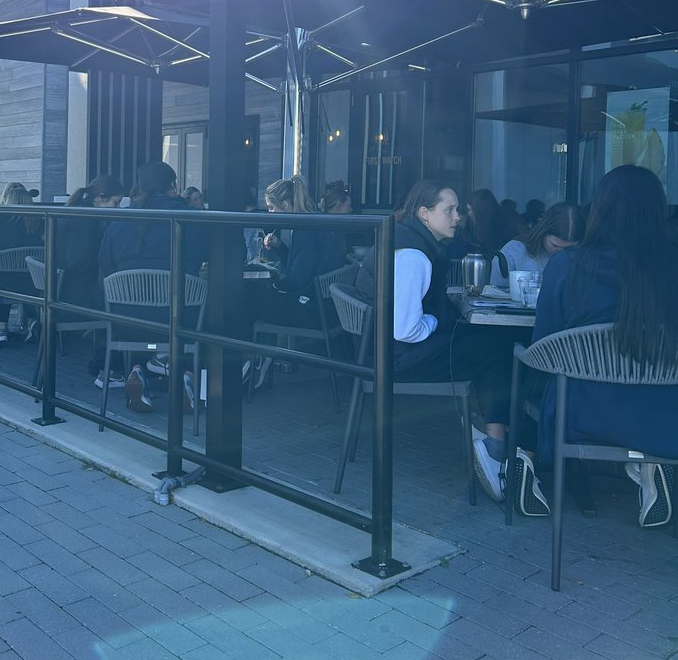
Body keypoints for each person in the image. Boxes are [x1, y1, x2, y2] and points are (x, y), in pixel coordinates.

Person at [354, 180, 527, 509]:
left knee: (484, 341)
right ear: (424, 213)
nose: (458, 216)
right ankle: (493, 444)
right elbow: (406, 329)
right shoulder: (414, 256)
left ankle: (485, 427)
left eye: (458, 209)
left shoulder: (404, 237)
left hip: (377, 351)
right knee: (494, 348)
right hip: (395, 359)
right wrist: (436, 320)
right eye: (449, 210)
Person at [532, 165, 678, 527]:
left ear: (599, 209)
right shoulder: (671, 267)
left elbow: (543, 346)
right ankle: (650, 466)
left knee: (521, 368)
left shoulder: (567, 264)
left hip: (580, 416)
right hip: (664, 420)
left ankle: (518, 456)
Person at [98, 161, 207, 411]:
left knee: (139, 308)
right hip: (180, 321)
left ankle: (137, 370)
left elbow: (104, 270)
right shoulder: (192, 218)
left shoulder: (120, 221)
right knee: (204, 317)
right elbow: (208, 256)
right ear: (173, 186)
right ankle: (187, 375)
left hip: (127, 323)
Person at [246, 175, 346, 387]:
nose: (270, 213)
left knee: (247, 297)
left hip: (311, 311)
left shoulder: (305, 230)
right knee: (259, 298)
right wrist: (281, 247)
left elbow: (296, 280)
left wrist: (271, 283)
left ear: (285, 204)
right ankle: (260, 358)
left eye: (271, 208)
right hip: (324, 306)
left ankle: (252, 360)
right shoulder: (314, 222)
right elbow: (303, 269)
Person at [60, 175, 125, 386]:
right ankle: (110, 368)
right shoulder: (86, 219)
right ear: (100, 197)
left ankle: (111, 366)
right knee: (120, 308)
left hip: (63, 289)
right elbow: (79, 260)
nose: (117, 208)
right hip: (79, 293)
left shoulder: (75, 211)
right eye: (115, 202)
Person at [0, 182, 44, 343]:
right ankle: (33, 321)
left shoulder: (1, 216)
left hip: (6, 282)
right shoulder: (40, 220)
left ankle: (0, 329)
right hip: (34, 281)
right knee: (16, 280)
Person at [490, 202, 586, 289]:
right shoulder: (514, 252)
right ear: (542, 233)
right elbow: (494, 292)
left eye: (569, 248)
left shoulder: (584, 259)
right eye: (555, 245)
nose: (561, 253)